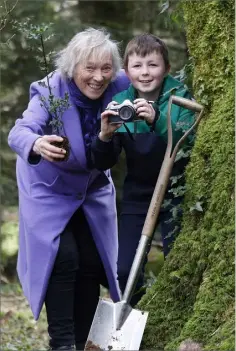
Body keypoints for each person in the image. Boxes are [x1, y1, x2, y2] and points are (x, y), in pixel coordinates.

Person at [8, 28, 130, 351]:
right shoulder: (51, 91)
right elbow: (19, 131)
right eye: (89, 68)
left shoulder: (119, 86)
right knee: (64, 257)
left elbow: (152, 83)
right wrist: (36, 142)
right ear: (72, 67)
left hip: (90, 191)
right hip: (48, 189)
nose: (98, 76)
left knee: (92, 259)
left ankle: (83, 340)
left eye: (105, 68)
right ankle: (62, 343)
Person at [91, 33, 195, 305]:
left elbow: (188, 142)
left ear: (166, 69)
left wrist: (157, 119)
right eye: (137, 66)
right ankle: (133, 318)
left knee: (178, 263)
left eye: (153, 65)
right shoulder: (121, 101)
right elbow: (104, 162)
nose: (145, 73)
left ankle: (176, 316)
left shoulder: (179, 95)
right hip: (138, 193)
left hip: (177, 191)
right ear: (126, 71)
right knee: (124, 269)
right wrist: (104, 137)